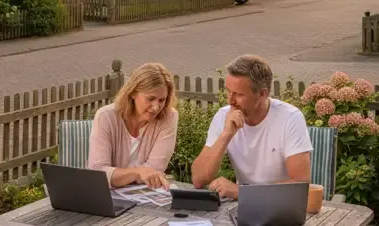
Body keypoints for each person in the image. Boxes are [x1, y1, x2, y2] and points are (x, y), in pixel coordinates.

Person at [191, 55, 312, 200]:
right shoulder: (224, 116)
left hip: (281, 205)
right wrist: (226, 135)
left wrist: (241, 192)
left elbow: (300, 185)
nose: (230, 100)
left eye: (239, 94)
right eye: (228, 91)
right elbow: (198, 179)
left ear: (262, 94)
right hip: (242, 206)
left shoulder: (290, 118)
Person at [88, 62, 179, 189]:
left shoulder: (169, 117)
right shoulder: (106, 117)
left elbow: (155, 169)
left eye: (161, 100)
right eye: (150, 99)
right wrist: (138, 172)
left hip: (145, 198)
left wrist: (118, 176)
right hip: (106, 196)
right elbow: (98, 173)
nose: (156, 107)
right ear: (132, 93)